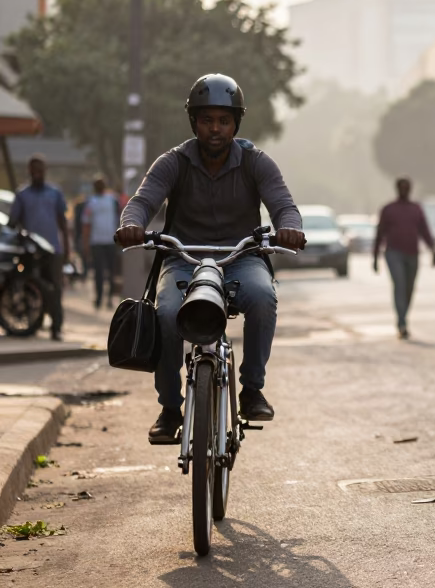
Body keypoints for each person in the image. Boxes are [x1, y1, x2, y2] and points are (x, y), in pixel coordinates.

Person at [116, 74, 306, 443]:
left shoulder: (256, 162)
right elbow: (142, 202)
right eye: (207, 120)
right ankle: (170, 408)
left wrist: (290, 228)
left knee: (263, 296)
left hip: (241, 258)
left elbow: (284, 205)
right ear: (194, 122)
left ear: (236, 123)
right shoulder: (173, 162)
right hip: (183, 259)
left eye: (223, 120)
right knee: (167, 313)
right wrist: (131, 224)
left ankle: (251, 389)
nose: (215, 129)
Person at [8, 155, 70, 341]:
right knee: (31, 286)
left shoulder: (55, 193)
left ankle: (56, 327)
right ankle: (32, 324)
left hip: (52, 250)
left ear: (45, 171)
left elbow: (62, 222)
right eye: (34, 170)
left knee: (54, 289)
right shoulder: (22, 194)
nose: (37, 174)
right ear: (29, 171)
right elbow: (13, 222)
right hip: (30, 251)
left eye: (40, 170)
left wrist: (67, 248)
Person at [373, 177, 435, 340]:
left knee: (409, 287)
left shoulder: (416, 209)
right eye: (401, 187)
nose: (404, 190)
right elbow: (380, 233)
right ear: (397, 189)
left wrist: (433, 250)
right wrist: (375, 256)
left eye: (407, 187)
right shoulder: (388, 209)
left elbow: (424, 230)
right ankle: (402, 323)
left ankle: (404, 315)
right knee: (399, 285)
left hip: (413, 253)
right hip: (394, 253)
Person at [81, 177, 121, 309]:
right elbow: (86, 224)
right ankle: (99, 298)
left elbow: (119, 218)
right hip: (96, 241)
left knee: (110, 271)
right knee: (98, 272)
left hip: (110, 240)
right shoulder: (91, 202)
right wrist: (86, 243)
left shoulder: (112, 200)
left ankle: (109, 298)